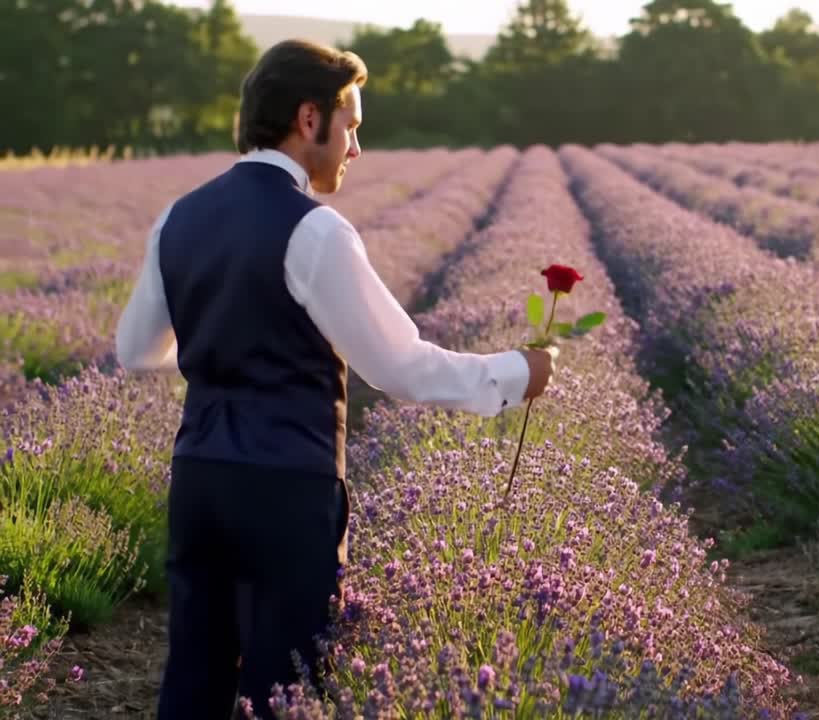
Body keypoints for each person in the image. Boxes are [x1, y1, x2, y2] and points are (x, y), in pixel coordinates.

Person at [113, 39, 557, 720]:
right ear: (308, 119)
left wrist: (229, 348)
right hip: (287, 488)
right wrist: (514, 373)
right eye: (351, 127)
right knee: (284, 684)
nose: (356, 149)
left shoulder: (180, 216)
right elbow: (398, 366)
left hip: (199, 479)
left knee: (195, 673)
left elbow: (136, 349)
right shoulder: (316, 231)